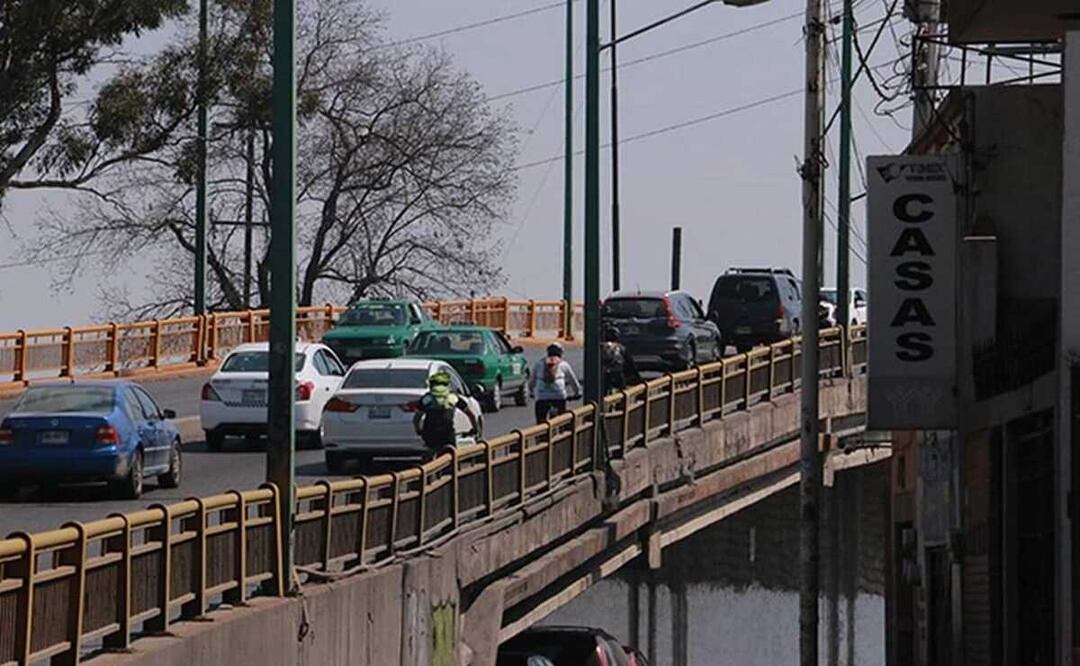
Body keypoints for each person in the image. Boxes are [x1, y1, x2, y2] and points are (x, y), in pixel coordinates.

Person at [413, 371, 479, 451]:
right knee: (451, 455)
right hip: (447, 433)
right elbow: (470, 414)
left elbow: (417, 417)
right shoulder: (453, 397)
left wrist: (418, 430)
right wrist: (474, 429)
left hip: (429, 433)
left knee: (430, 450)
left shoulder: (427, 399)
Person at [528, 342, 583, 423]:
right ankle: (561, 432)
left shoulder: (539, 364)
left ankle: (540, 434)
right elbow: (573, 381)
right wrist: (578, 393)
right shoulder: (564, 364)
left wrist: (532, 392)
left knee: (540, 423)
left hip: (542, 397)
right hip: (559, 396)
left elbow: (532, 381)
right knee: (561, 421)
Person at [602, 327, 640, 393]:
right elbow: (630, 361)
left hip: (605, 373)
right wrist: (637, 375)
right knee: (623, 390)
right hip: (618, 372)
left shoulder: (601, 347)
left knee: (604, 390)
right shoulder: (620, 347)